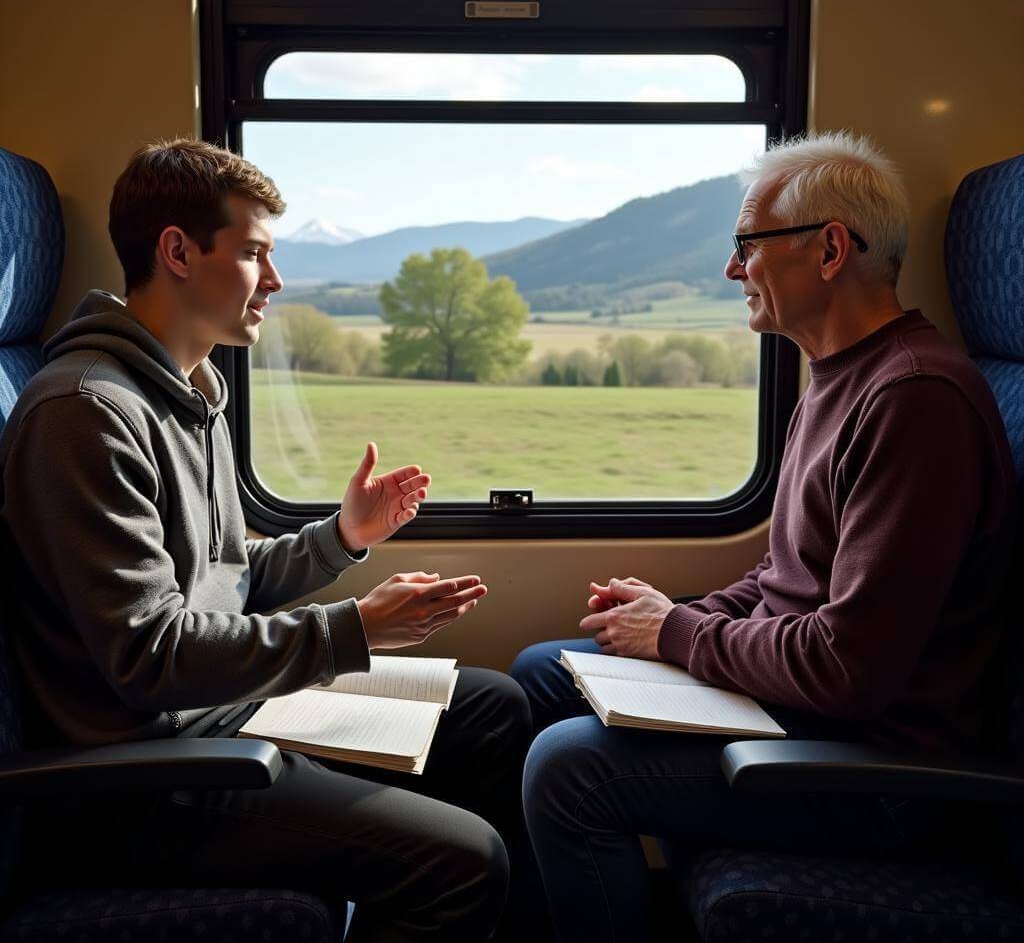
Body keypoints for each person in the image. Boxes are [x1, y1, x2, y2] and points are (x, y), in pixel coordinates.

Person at [0, 139, 532, 943]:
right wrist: (354, 629)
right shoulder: (84, 412)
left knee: (495, 708)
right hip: (145, 779)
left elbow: (225, 580)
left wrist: (341, 538)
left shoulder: (192, 390)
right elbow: (149, 656)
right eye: (254, 253)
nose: (275, 282)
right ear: (177, 251)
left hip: (221, 718)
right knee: (469, 863)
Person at [511, 131, 1016, 943]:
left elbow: (851, 668)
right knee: (543, 673)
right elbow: (791, 574)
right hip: (808, 716)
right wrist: (677, 614)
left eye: (747, 244)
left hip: (877, 770)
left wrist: (678, 632)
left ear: (829, 250)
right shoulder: (840, 376)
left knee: (568, 771)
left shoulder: (915, 402)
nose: (731, 268)